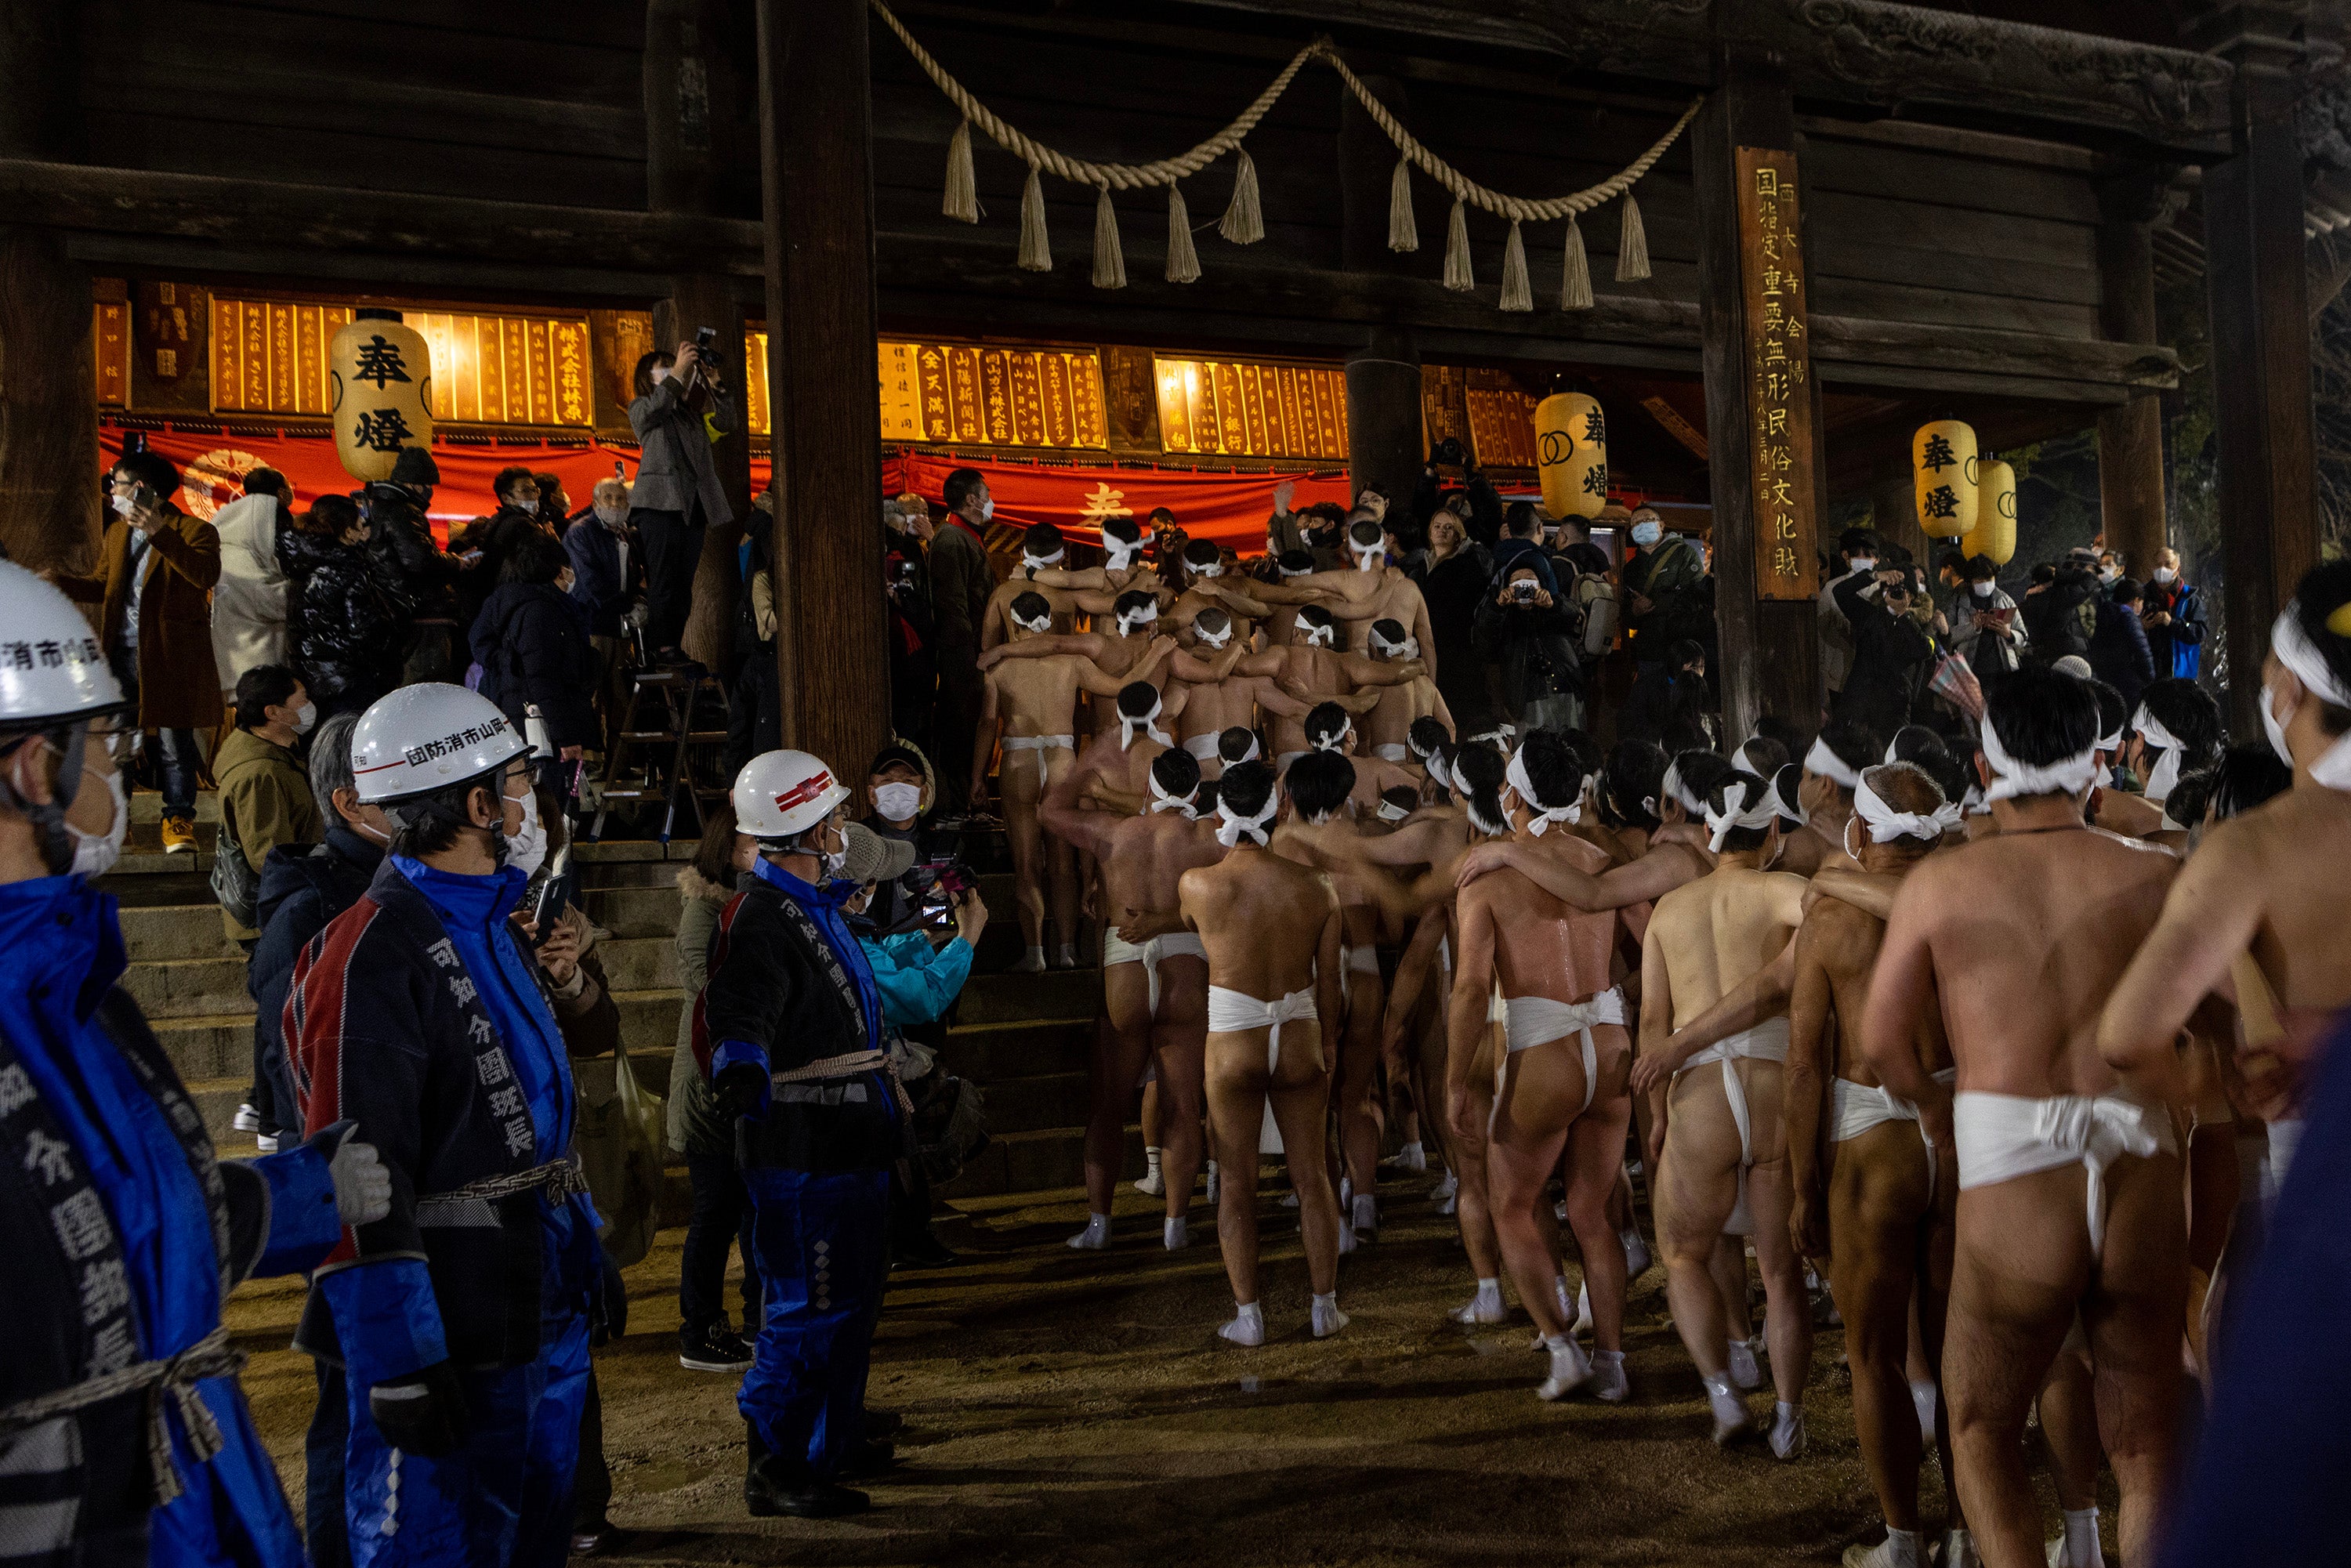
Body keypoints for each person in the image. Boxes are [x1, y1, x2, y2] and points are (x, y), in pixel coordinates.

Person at [0, 559, 392, 1568]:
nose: (115, 776)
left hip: (178, 1490)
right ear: (33, 771)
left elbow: (113, 1232)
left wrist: (301, 1197)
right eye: (107, 746)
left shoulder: (72, 982)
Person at [287, 683, 616, 1568]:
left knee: (533, 1521)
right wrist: (396, 1354)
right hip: (450, 1309)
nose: (530, 804)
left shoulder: (495, 923)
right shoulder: (371, 950)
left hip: (533, 1283)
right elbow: (354, 1167)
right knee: (435, 1539)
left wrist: (582, 1254)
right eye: (517, 784)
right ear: (478, 805)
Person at [1860, 666, 2183, 1568]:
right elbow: (2217, 1034)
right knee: (2146, 1448)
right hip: (2143, 1148)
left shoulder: (1945, 884)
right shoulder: (2157, 877)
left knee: (1980, 1429)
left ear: (1980, 765)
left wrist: (1930, 1108)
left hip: (2012, 1152)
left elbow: (1882, 1039)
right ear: (2101, 766)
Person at [2099, 563, 2351, 1215]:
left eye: (2268, 667)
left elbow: (2126, 1035)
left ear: (2290, 690)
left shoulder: (2251, 851)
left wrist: (2202, 1112)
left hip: (2320, 1203)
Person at [695, 750, 901, 1518]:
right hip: (804, 1154)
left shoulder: (810, 908)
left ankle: (828, 1441)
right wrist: (740, 1067)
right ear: (807, 827)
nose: (843, 826)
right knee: (805, 1307)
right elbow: (737, 1012)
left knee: (847, 1304)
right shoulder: (761, 918)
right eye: (834, 817)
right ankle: (776, 1464)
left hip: (845, 1146)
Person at [1787, 763, 1963, 1568]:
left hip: (1873, 1136)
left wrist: (1800, 1188)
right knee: (1960, 1344)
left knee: (1875, 1356)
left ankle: (1902, 1542)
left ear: (1859, 833)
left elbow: (1802, 1065)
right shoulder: (1968, 899)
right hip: (1961, 1127)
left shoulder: (1829, 920)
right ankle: (1969, 1528)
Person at [1633, 769, 1811, 1454]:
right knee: (1780, 1271)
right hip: (1773, 1084)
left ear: (1710, 832)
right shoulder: (1787, 889)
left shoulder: (1668, 910)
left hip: (1700, 1088)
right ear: (1771, 832)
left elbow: (1653, 1022)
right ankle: (1790, 1418)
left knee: (1682, 1253)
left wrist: (1657, 1113)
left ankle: (1722, 1393)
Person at [1455, 731, 1634, 1402]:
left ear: (1513, 794)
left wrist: (1453, 1080)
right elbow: (1651, 936)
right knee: (1594, 1211)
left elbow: (1471, 990)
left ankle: (1564, 1350)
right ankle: (1613, 1360)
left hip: (1545, 1046)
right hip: (1609, 1037)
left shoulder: (1489, 876)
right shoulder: (1601, 859)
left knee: (1513, 1203)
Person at [1174, 759, 1349, 1343]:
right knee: (1313, 1175)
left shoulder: (1198, 885)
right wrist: (1326, 1043)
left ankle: (1249, 1317)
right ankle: (1324, 1306)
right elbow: (1331, 986)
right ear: (1278, 811)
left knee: (1236, 1180)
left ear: (1222, 813)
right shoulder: (1317, 887)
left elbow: (1191, 927)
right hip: (1299, 1029)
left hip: (1234, 1038)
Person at [973, 595, 1164, 970]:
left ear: (1014, 626)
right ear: (1049, 621)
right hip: (1061, 759)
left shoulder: (1000, 669)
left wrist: (978, 775)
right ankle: (1067, 950)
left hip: (1020, 760)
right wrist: (1157, 652)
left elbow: (987, 725)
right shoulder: (1073, 664)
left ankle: (1035, 954)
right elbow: (1125, 685)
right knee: (1062, 865)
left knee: (1027, 864)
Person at [58, 450, 221, 854]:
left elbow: (204, 576)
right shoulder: (116, 532)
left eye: (117, 482)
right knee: (117, 742)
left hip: (167, 653)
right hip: (120, 651)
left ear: (141, 489)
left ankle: (178, 820)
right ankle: (118, 822)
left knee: (173, 742)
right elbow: (103, 584)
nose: (111, 490)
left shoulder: (195, 530)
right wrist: (59, 583)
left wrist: (159, 532)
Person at [668, 795, 763, 1376]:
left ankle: (747, 1322)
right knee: (715, 1213)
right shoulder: (706, 908)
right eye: (753, 842)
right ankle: (698, 1328)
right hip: (709, 1087)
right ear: (729, 848)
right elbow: (698, 980)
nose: (761, 852)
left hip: (731, 1081)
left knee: (743, 1209)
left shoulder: (746, 902)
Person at [626, 343, 737, 665]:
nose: (675, 372)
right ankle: (661, 649)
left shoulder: (690, 415)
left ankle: (673, 645)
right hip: (659, 505)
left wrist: (715, 383)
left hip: (692, 505)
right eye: (664, 368)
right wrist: (676, 374)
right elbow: (656, 408)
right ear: (649, 378)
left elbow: (727, 423)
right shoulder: (643, 406)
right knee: (663, 580)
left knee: (683, 584)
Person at [470, 531, 598, 776]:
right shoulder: (540, 612)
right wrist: (567, 737)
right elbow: (543, 677)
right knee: (547, 803)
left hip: (526, 718)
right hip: (543, 732)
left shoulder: (513, 603)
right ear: (558, 571)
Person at [280, 493, 405, 722]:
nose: (363, 531)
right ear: (348, 532)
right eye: (359, 526)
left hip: (310, 673)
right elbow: (363, 628)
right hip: (347, 677)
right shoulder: (347, 567)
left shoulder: (302, 563)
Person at [366, 445, 473, 686]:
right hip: (420, 611)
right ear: (415, 484)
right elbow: (419, 560)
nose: (429, 492)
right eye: (428, 486)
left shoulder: (380, 507)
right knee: (426, 685)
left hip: (399, 609)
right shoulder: (403, 511)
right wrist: (457, 562)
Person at [928, 468, 995, 822]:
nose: (990, 498)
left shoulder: (968, 536)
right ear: (972, 499)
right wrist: (968, 658)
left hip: (974, 652)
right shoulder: (951, 538)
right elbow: (952, 606)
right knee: (960, 726)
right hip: (963, 654)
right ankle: (958, 803)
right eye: (986, 492)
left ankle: (971, 800)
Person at [565, 477, 645, 756]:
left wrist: (637, 601)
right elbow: (590, 582)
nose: (615, 504)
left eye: (620, 498)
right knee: (593, 694)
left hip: (619, 626)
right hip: (592, 624)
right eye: (608, 498)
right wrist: (625, 604)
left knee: (620, 696)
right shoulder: (581, 532)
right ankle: (591, 761)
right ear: (595, 503)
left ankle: (618, 761)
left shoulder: (627, 533)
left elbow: (635, 578)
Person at [1409, 505, 1496, 737]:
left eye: (1449, 527)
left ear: (1458, 534)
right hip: (1422, 644)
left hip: (1456, 647)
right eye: (1437, 527)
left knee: (1455, 705)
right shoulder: (1420, 566)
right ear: (1429, 532)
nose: (1442, 531)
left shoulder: (1466, 566)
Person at [209, 466, 293, 705]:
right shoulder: (243, 553)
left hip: (240, 652)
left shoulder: (229, 535)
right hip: (255, 657)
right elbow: (270, 601)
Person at [1474, 559, 1584, 733]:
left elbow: (1575, 615)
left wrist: (1553, 605)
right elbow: (1485, 641)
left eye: (1530, 580)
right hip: (1527, 696)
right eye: (1517, 580)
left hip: (1565, 688)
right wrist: (1498, 607)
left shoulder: (1552, 604)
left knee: (1572, 743)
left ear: (1540, 584)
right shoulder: (1504, 616)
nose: (1524, 585)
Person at [1835, 567, 1936, 738]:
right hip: (1860, 700)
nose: (1895, 593)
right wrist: (1874, 576)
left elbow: (1924, 650)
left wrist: (1903, 614)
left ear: (1911, 597)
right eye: (1890, 589)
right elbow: (1840, 592)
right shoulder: (1869, 615)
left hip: (1894, 706)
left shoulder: (1916, 624)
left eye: (1901, 591)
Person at [454, 467, 553, 637]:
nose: (533, 495)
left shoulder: (499, 520)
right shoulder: (523, 525)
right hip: (517, 606)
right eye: (525, 491)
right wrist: (553, 544)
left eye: (534, 490)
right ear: (506, 497)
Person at [1621, 509, 1707, 671]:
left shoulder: (1683, 553)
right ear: (1632, 532)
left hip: (1681, 648)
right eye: (1636, 523)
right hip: (1648, 651)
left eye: (1647, 519)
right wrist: (1634, 611)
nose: (1642, 525)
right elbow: (1626, 614)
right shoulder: (1631, 568)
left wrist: (1654, 602)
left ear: (1661, 525)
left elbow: (1695, 594)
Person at [1817, 527, 1884, 703]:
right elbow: (1820, 635)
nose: (1863, 560)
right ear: (1846, 557)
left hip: (1875, 678)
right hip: (1839, 677)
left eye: (1868, 556)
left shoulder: (1883, 591)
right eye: (1857, 555)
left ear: (1876, 560)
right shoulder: (1832, 589)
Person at [1943, 555, 2025, 681]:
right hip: (1969, 671)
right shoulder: (1958, 602)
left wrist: (2008, 634)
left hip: (2004, 670)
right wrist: (1972, 628)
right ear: (1970, 581)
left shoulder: (2004, 600)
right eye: (1980, 580)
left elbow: (2023, 636)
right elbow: (1947, 636)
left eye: (1989, 579)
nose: (1985, 584)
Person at [2088, 574, 2156, 713]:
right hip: (2128, 683)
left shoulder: (2103, 613)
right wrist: (2150, 680)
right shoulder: (2129, 617)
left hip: (2104, 678)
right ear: (2136, 600)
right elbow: (2142, 652)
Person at [2138, 548, 2206, 682]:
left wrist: (2172, 623)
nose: (2162, 569)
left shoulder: (2190, 599)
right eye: (2158, 565)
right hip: (2147, 674)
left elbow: (2199, 632)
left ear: (2178, 569)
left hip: (2180, 675)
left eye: (2168, 564)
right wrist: (2140, 627)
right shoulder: (2141, 596)